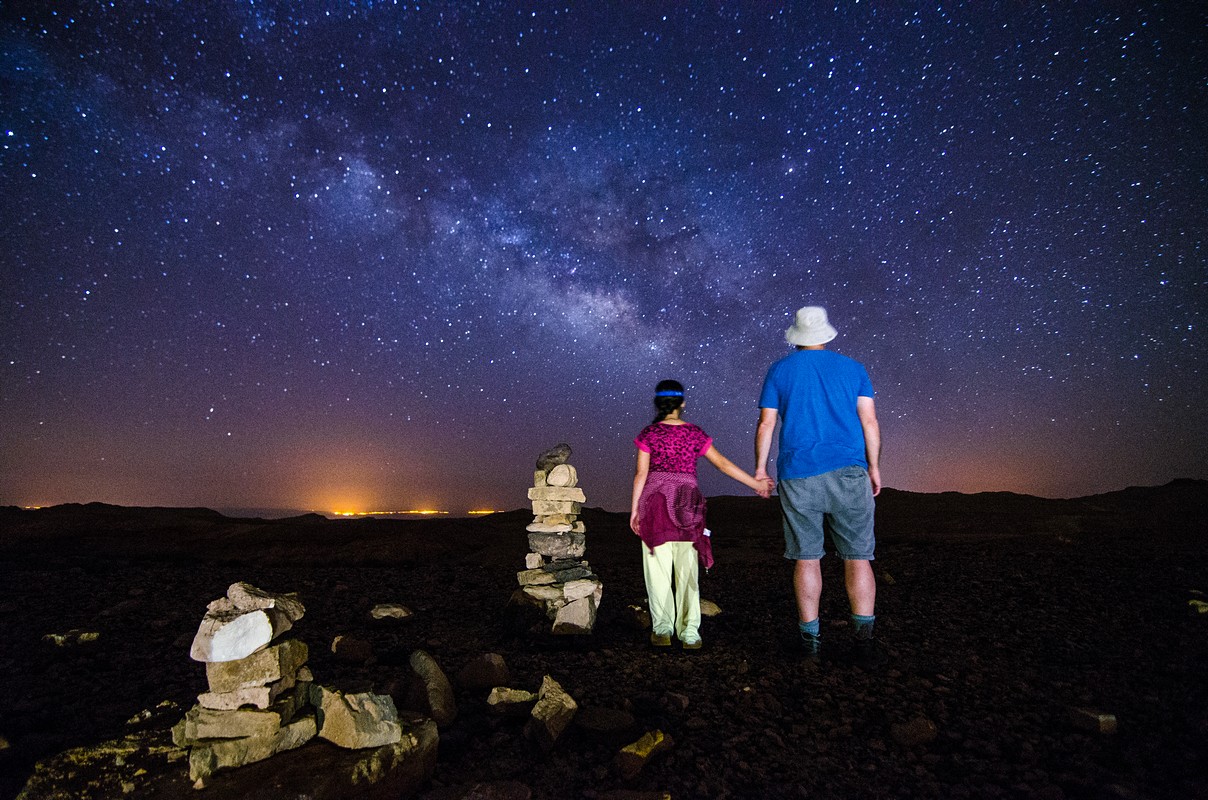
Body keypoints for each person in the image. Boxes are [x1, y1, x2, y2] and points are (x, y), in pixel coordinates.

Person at [754, 306, 884, 667]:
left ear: (796, 338)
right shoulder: (854, 369)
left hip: (798, 474)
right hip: (849, 472)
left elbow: (766, 425)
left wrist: (759, 469)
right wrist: (873, 467)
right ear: (826, 335)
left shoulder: (780, 370)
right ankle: (864, 645)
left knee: (807, 557)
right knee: (859, 558)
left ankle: (811, 644)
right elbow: (869, 421)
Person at [631, 379, 773, 650]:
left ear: (658, 403)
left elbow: (641, 473)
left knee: (657, 569)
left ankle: (662, 629)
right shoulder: (694, 434)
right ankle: (690, 633)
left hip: (655, 505)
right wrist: (755, 483)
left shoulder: (649, 434)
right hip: (687, 505)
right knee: (687, 568)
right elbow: (722, 464)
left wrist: (636, 509)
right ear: (682, 403)